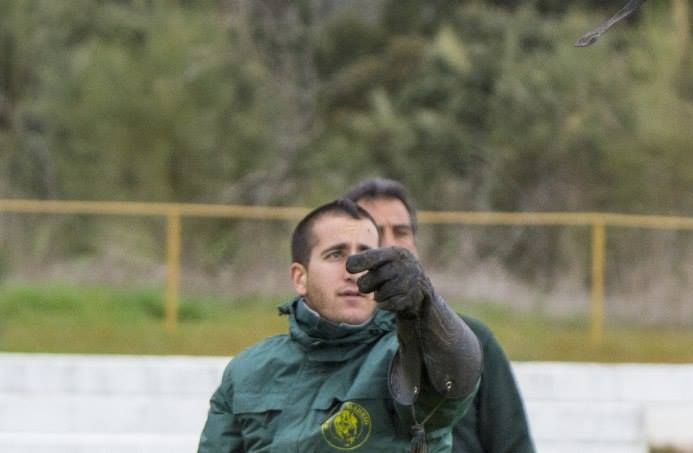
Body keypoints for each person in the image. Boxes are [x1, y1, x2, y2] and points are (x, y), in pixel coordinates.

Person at [199, 198, 482, 452]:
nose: (353, 271)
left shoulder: (405, 352)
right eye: (335, 254)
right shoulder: (246, 372)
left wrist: (426, 305)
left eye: (366, 255)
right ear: (300, 277)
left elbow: (458, 376)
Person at [346, 178, 536, 453]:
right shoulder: (331, 348)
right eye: (373, 232)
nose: (390, 246)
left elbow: (514, 446)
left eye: (401, 232)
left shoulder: (473, 341)